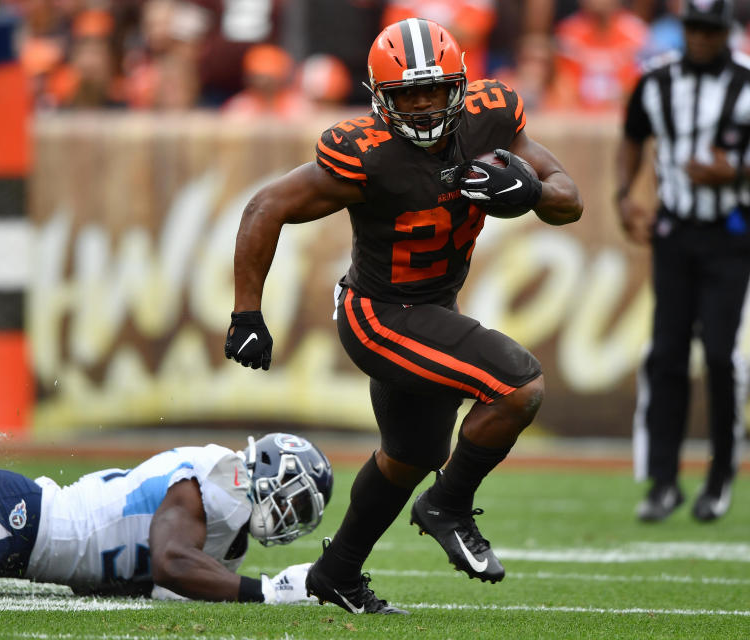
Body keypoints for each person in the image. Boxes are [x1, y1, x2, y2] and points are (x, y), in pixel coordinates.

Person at [225, 18, 582, 614]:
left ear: (458, 86)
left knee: (412, 453)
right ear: (378, 98)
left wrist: (531, 193)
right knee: (519, 386)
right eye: (405, 95)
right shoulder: (365, 154)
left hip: (434, 306)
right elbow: (267, 205)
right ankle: (448, 504)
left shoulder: (491, 118)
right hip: (379, 314)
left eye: (433, 90)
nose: (420, 106)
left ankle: (335, 573)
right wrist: (245, 314)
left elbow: (568, 197)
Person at [0, 432, 333, 602]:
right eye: (296, 498)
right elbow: (169, 561)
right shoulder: (215, 479)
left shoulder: (226, 541)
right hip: (19, 516)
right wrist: (266, 592)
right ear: (265, 471)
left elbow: (140, 580)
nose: (292, 515)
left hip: (24, 545)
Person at [615, 0, 749, 523]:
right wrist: (625, 196)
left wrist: (736, 174)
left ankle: (719, 478)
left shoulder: (745, 81)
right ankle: (663, 481)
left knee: (720, 356)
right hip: (673, 232)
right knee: (666, 356)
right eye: (693, 28)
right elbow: (631, 136)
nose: (699, 38)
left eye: (709, 30)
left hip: (732, 234)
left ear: (726, 32)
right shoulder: (656, 80)